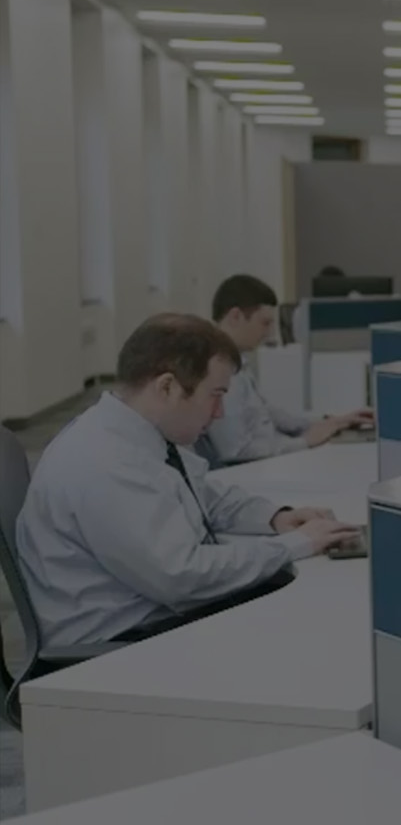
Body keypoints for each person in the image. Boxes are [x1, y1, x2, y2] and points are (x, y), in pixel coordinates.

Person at [15, 315, 360, 647]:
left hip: (151, 612)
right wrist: (296, 544)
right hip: (123, 641)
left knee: (294, 596)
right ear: (167, 387)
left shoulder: (142, 435)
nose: (220, 413)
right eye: (216, 395)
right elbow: (183, 577)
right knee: (306, 625)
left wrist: (277, 518)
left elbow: (205, 496)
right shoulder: (105, 462)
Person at [205, 275, 373, 464]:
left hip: (269, 461)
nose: (269, 333)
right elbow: (236, 450)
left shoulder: (238, 362)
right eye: (265, 323)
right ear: (235, 317)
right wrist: (303, 442)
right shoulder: (217, 368)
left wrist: (331, 421)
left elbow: (269, 413)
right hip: (251, 470)